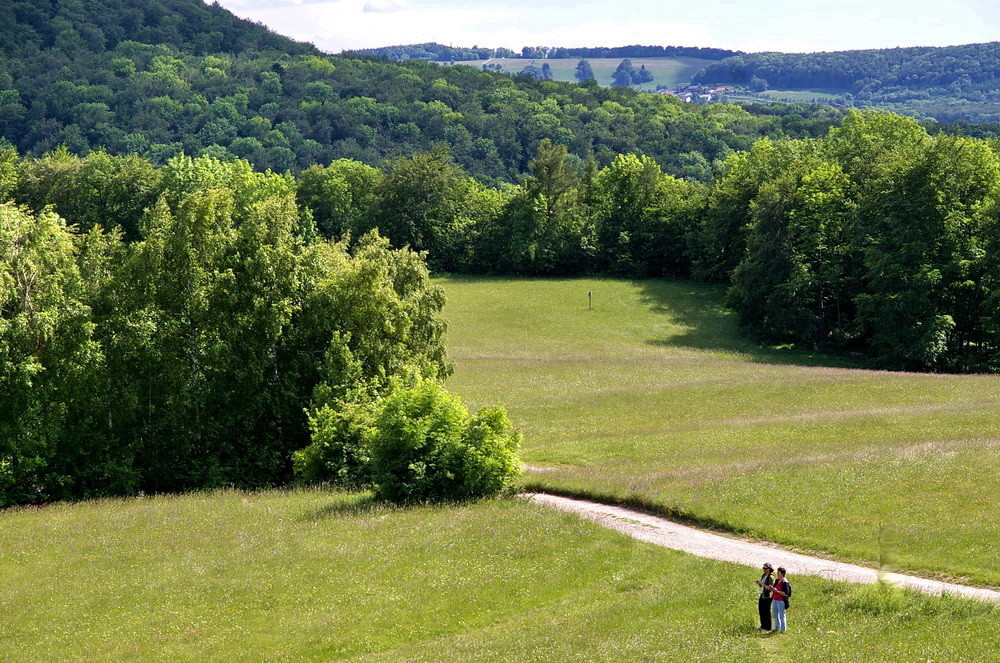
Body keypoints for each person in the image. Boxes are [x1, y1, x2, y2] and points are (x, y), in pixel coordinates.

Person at [770, 567, 790, 633]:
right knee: (775, 614)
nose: (777, 574)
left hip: (781, 601)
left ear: (782, 573)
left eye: (778, 572)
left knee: (782, 615)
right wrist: (772, 588)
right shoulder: (776, 580)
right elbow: (774, 589)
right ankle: (777, 627)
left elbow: (786, 593)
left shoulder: (785, 582)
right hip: (775, 599)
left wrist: (777, 591)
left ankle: (783, 629)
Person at [755, 563, 774, 631]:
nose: (764, 570)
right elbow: (762, 586)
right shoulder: (763, 575)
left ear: (769, 569)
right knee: (761, 610)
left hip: (768, 596)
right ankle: (763, 625)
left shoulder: (771, 577)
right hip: (762, 594)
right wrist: (759, 583)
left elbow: (771, 588)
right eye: (763, 568)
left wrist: (762, 584)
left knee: (766, 611)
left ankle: (768, 627)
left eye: (765, 568)